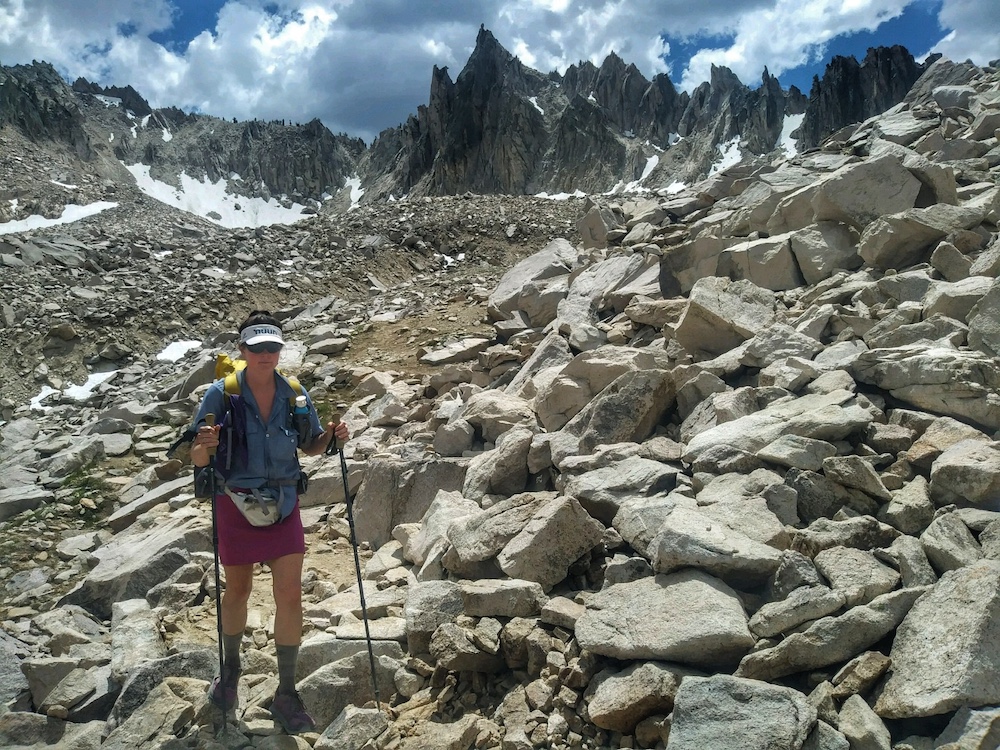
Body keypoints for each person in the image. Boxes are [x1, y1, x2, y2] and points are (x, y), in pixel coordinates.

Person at [189, 310, 348, 735]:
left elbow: (312, 446)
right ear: (241, 350)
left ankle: (287, 692)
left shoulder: (294, 392)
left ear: (281, 349)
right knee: (237, 589)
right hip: (234, 504)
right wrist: (204, 447)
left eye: (272, 347)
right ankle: (231, 673)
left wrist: (332, 438)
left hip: (283, 502)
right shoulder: (220, 395)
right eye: (256, 347)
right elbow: (196, 456)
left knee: (290, 595)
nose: (265, 354)